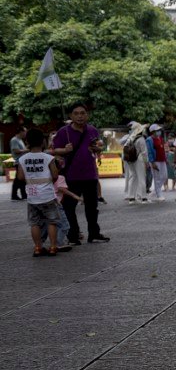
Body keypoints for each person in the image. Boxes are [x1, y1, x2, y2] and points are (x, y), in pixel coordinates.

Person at [52, 103, 108, 243]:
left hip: (90, 174)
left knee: (92, 207)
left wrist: (97, 149)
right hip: (71, 176)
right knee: (69, 207)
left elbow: (97, 148)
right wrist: (65, 150)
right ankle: (73, 235)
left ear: (87, 115)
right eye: (76, 113)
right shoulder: (63, 132)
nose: (80, 116)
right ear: (71, 116)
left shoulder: (92, 130)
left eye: (82, 113)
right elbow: (54, 150)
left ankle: (94, 233)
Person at [17, 128, 61, 257]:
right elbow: (55, 175)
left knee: (34, 223)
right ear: (43, 141)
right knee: (51, 221)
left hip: (32, 196)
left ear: (27, 142)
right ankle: (53, 247)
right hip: (47, 195)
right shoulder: (48, 158)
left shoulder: (22, 159)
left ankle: (37, 247)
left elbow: (20, 177)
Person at [41, 165, 78, 252]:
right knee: (64, 225)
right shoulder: (60, 177)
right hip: (55, 204)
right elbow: (61, 188)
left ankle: (39, 244)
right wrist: (75, 196)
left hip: (42, 202)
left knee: (46, 225)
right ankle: (59, 243)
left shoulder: (43, 177)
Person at [148, 124, 167, 202]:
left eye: (159, 130)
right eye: (157, 130)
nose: (159, 132)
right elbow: (149, 152)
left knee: (165, 176)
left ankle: (155, 191)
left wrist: (165, 159)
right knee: (157, 178)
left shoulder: (160, 138)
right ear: (153, 132)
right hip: (155, 161)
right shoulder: (149, 139)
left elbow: (162, 149)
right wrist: (152, 162)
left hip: (162, 160)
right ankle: (159, 195)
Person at [10, 125, 28, 200]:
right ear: (21, 132)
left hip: (22, 162)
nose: (26, 133)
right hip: (18, 162)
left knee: (20, 179)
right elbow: (16, 150)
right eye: (25, 131)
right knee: (18, 179)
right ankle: (15, 195)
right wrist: (27, 150)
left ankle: (22, 195)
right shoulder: (15, 140)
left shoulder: (20, 140)